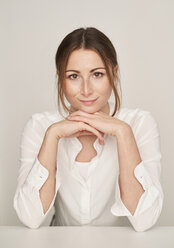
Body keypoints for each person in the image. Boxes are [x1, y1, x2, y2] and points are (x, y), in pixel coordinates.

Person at [13, 27, 164, 232]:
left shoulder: (139, 123)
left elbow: (144, 220)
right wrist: (52, 136)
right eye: (74, 76)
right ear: (61, 78)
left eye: (97, 74)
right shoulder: (40, 126)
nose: (86, 90)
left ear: (114, 73)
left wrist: (123, 133)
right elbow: (30, 217)